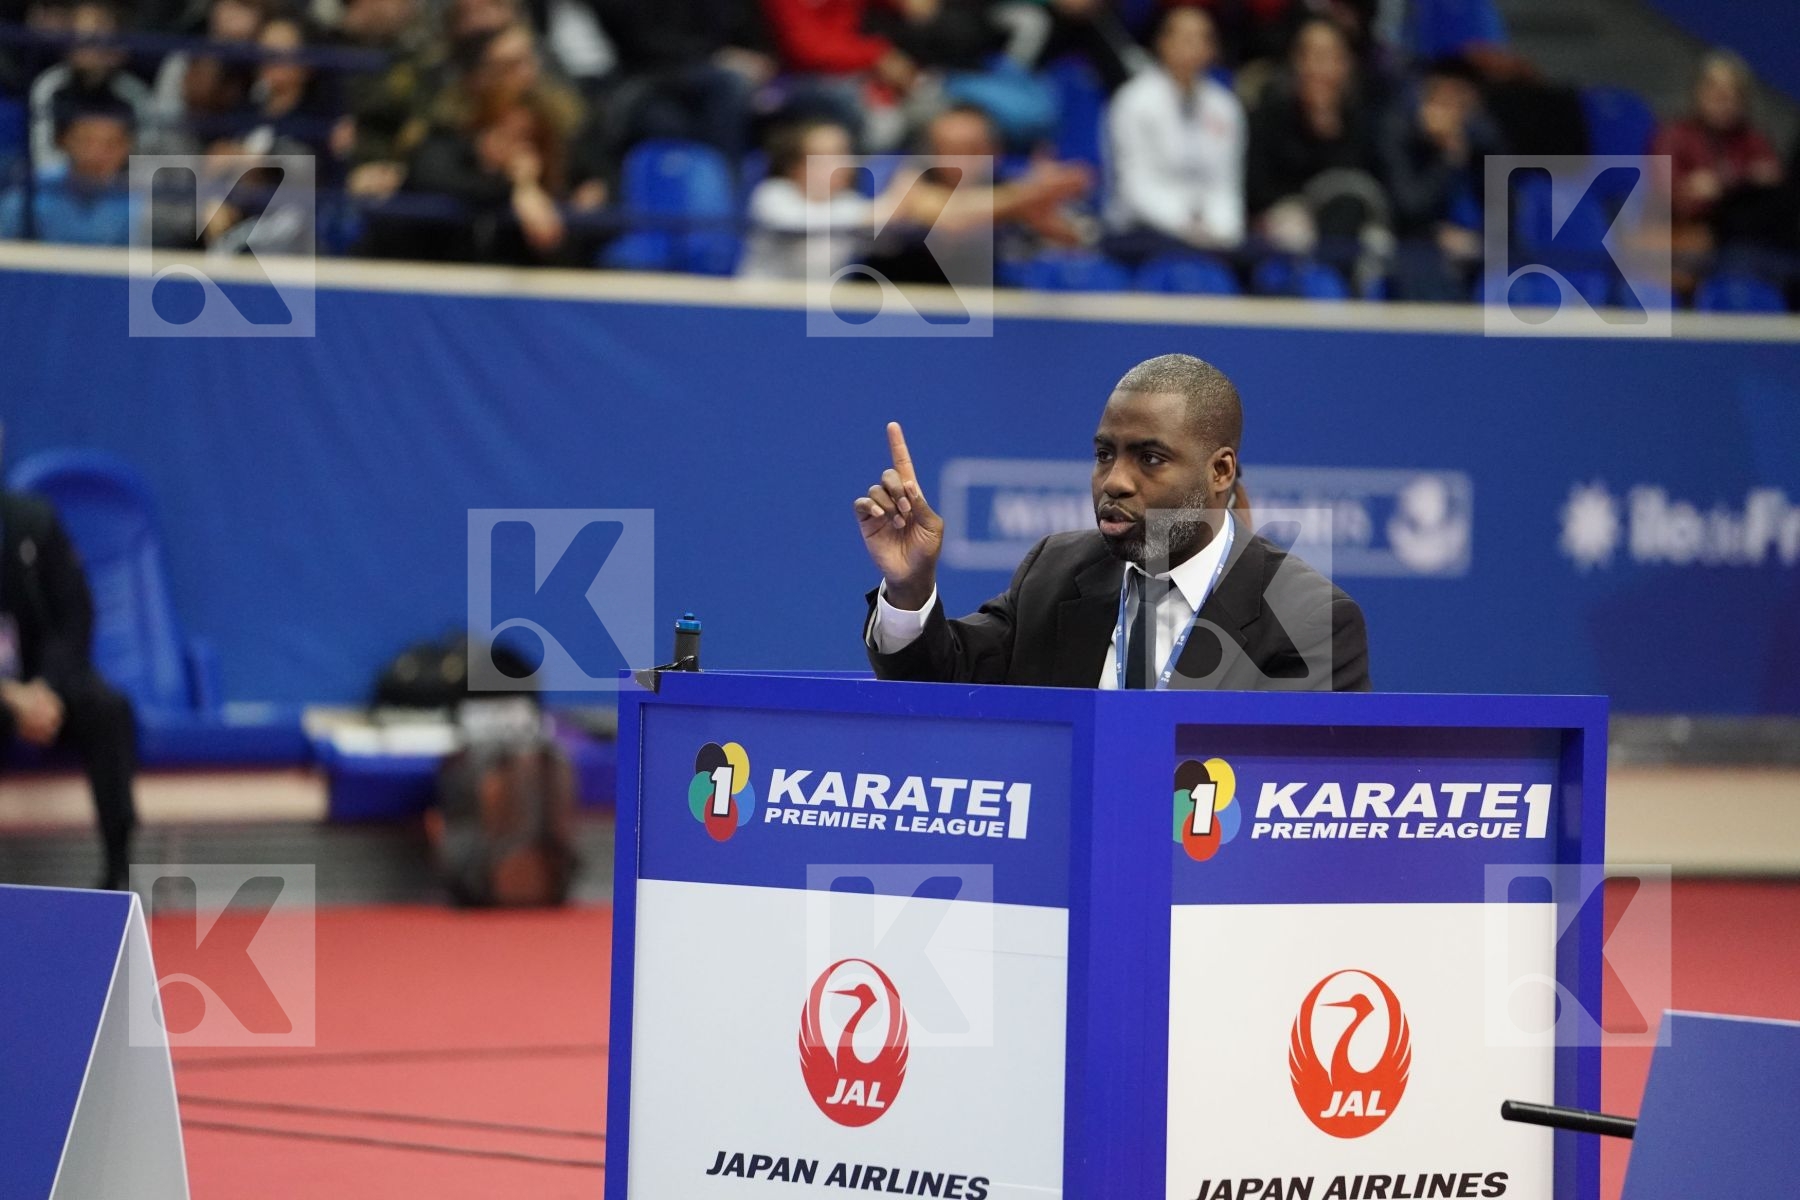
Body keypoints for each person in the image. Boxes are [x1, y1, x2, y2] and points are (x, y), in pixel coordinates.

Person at [855, 353, 1371, 691]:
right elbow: (936, 687)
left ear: (1220, 471)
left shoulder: (1309, 620)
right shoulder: (1055, 571)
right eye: (1105, 454)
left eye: (1149, 458)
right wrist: (909, 587)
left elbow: (1292, 800)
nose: (1114, 482)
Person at [0, 487, 138, 890]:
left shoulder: (34, 524)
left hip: (43, 685)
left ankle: (118, 872)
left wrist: (43, 688)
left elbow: (75, 616)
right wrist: (9, 698)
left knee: (109, 710)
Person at [1103, 6, 1246, 255]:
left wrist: (1223, 230)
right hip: (1142, 229)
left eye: (1203, 39)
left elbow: (1226, 185)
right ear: (1163, 43)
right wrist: (1185, 225)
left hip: (1210, 233)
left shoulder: (1225, 107)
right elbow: (1134, 186)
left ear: (1212, 50)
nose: (1194, 48)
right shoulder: (1134, 101)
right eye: (1185, 38)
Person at [1651, 50, 1784, 260]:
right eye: (1715, 92)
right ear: (1698, 93)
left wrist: (1722, 184)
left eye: (1733, 94)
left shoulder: (1754, 140)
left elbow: (1772, 180)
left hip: (1742, 235)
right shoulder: (1674, 137)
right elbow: (1669, 201)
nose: (1724, 101)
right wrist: (1744, 180)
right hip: (1683, 236)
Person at [26, 0, 152, 172]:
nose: (88, 44)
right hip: (61, 187)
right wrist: (82, 169)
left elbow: (144, 156)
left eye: (97, 33)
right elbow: (42, 156)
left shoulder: (134, 93)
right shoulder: (49, 86)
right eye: (80, 34)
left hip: (118, 189)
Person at [0, 104, 133, 244]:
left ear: (126, 148)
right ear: (64, 141)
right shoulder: (29, 195)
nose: (97, 153)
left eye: (111, 144)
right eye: (87, 141)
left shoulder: (138, 201)